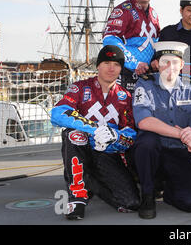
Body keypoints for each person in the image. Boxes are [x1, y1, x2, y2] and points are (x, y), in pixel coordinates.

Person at [51, 45, 140, 220]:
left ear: (121, 68)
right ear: (98, 65)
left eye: (116, 64)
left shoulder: (126, 97)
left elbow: (131, 134)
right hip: (81, 148)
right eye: (106, 62)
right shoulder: (80, 88)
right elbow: (58, 113)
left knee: (131, 202)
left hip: (106, 153)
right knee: (72, 134)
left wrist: (115, 137)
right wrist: (95, 129)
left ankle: (88, 179)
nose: (111, 68)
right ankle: (77, 197)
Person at [129, 41, 191, 219]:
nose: (170, 67)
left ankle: (169, 188)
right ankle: (147, 194)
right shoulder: (144, 84)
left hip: (177, 152)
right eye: (165, 62)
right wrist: (180, 134)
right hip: (153, 153)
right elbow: (144, 121)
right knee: (146, 141)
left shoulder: (190, 88)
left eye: (175, 62)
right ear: (157, 64)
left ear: (182, 64)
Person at [102, 0, 160, 93]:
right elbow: (110, 40)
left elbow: (157, 43)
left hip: (147, 75)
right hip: (125, 75)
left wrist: (158, 59)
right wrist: (134, 64)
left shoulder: (154, 15)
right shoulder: (123, 10)